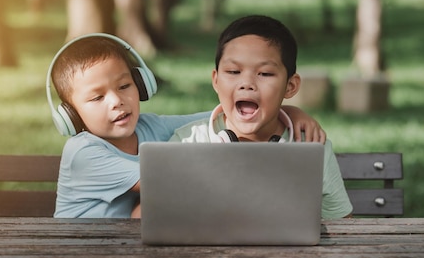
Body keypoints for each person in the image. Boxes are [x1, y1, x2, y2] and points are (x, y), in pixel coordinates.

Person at [48, 33, 327, 218]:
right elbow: (165, 181)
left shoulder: (149, 127)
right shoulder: (83, 153)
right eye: (97, 97)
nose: (117, 102)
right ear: (71, 114)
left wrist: (283, 109)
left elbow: (223, 115)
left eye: (124, 86)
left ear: (142, 85)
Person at [168, 15, 353, 219]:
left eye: (265, 74)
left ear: (290, 87)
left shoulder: (313, 147)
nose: (247, 83)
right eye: (233, 71)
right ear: (216, 80)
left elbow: (342, 225)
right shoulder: (186, 142)